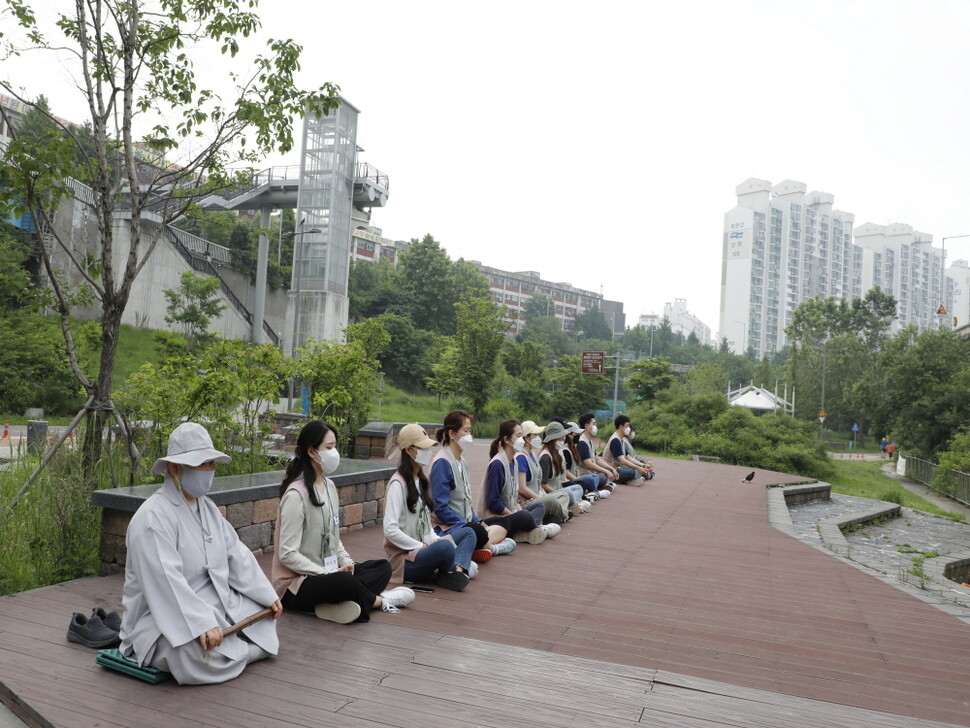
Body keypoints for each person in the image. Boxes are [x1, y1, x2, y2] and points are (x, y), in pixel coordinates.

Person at [119, 422, 282, 685]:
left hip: (213, 600)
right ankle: (247, 651)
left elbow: (235, 552)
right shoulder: (152, 518)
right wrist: (200, 623)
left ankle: (234, 652)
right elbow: (165, 580)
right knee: (185, 651)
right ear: (175, 468)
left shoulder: (206, 508)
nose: (209, 471)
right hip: (160, 615)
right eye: (201, 465)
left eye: (211, 465)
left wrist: (265, 594)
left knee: (261, 613)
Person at [271, 420, 415, 624]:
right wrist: (326, 572)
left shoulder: (329, 486)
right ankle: (379, 601)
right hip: (296, 585)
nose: (334, 452)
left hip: (329, 574)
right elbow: (287, 554)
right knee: (344, 581)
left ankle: (337, 605)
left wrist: (346, 562)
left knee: (382, 567)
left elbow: (333, 536)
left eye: (335, 446)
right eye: (329, 447)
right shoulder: (296, 495)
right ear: (312, 452)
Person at [383, 423, 475, 591]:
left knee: (469, 532)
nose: (428, 452)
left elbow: (426, 527)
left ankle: (456, 569)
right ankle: (452, 569)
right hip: (407, 561)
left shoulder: (420, 480)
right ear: (409, 450)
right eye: (422, 448)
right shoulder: (398, 484)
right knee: (446, 547)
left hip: (424, 551)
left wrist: (434, 541)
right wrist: (422, 546)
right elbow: (390, 530)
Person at [429, 410, 514, 563]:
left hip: (467, 522)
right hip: (447, 527)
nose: (470, 435)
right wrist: (467, 523)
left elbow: (466, 500)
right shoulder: (442, 463)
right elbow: (440, 508)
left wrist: (477, 519)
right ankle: (493, 548)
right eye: (466, 431)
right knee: (476, 531)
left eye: (470, 431)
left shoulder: (461, 461)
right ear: (452, 434)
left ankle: (478, 545)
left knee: (503, 522)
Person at [476, 419, 548, 545]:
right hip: (495, 518)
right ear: (507, 440)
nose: (522, 439)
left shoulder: (513, 461)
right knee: (524, 516)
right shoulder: (498, 464)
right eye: (518, 436)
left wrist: (518, 511)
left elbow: (513, 497)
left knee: (539, 506)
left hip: (511, 512)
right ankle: (534, 529)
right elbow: (493, 501)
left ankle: (526, 530)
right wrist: (514, 514)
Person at [515, 420, 568, 531]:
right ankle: (564, 514)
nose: (538, 438)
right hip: (527, 501)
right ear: (526, 438)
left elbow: (539, 483)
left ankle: (553, 517)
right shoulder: (521, 457)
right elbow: (522, 488)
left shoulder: (532, 455)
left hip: (538, 496)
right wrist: (540, 498)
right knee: (551, 500)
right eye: (535, 435)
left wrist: (543, 496)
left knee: (564, 495)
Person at [537, 420, 590, 516]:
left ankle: (571, 504)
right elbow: (543, 484)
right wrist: (557, 492)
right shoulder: (546, 457)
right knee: (567, 493)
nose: (563, 440)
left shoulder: (556, 453)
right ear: (554, 439)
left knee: (578, 487)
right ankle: (575, 504)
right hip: (550, 493)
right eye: (561, 438)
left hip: (559, 489)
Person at [577, 413, 623, 488]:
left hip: (592, 474)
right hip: (584, 475)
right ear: (586, 426)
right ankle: (601, 486)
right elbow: (589, 464)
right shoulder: (582, 443)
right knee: (603, 476)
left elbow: (597, 459)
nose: (596, 427)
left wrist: (610, 469)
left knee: (608, 473)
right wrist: (606, 471)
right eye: (594, 424)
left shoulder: (589, 441)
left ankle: (605, 484)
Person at [602, 415, 652, 483]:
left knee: (636, 470)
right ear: (621, 427)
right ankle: (634, 478)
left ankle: (635, 477)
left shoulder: (621, 440)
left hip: (619, 468)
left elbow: (628, 457)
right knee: (633, 471)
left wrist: (643, 465)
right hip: (611, 470)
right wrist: (638, 468)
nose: (629, 428)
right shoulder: (615, 440)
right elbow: (622, 461)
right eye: (627, 426)